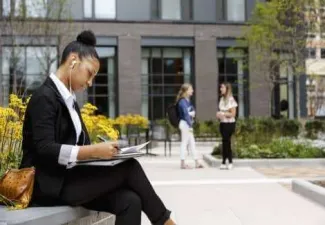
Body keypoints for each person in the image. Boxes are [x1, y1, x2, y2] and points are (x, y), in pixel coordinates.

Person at [19, 30, 176, 225]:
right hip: (48, 185)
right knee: (129, 168)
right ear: (73, 61)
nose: (90, 82)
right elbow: (44, 149)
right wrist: (93, 150)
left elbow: (81, 146)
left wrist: (105, 153)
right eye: (90, 73)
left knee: (130, 201)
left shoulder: (69, 101)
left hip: (70, 180)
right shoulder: (44, 97)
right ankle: (165, 221)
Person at [176, 83, 203, 169]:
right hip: (185, 124)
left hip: (187, 124)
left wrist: (192, 114)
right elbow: (186, 114)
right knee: (185, 143)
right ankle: (183, 163)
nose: (192, 91)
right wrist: (190, 124)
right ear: (186, 91)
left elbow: (191, 111)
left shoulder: (187, 101)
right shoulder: (182, 101)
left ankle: (196, 162)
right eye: (191, 89)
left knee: (192, 143)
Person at [216, 82, 238, 170]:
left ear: (227, 89)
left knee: (227, 142)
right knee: (224, 142)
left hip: (229, 124)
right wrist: (219, 115)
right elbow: (222, 112)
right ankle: (225, 161)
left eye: (222, 87)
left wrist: (223, 113)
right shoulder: (221, 99)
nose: (220, 89)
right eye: (220, 87)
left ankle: (228, 161)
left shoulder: (231, 100)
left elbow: (233, 114)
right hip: (222, 123)